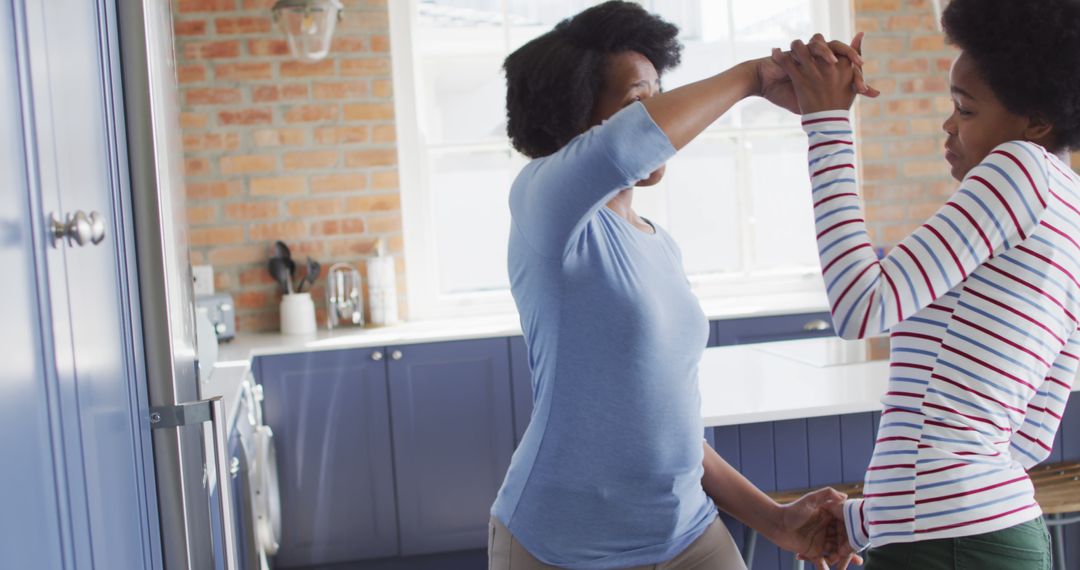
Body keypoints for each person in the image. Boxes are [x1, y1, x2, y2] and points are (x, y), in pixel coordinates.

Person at [488, 2, 874, 568]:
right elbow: (623, 148)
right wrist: (755, 76)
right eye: (638, 101)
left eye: (658, 92)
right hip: (562, 542)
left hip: (686, 534)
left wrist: (775, 520)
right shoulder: (543, 205)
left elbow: (670, 427)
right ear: (581, 119)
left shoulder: (656, 243)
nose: (660, 112)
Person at [771, 0, 1080, 567]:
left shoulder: (1019, 168)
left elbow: (861, 308)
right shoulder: (1071, 211)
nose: (948, 124)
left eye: (964, 109)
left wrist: (826, 124)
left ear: (1036, 122)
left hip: (951, 546)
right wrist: (869, 517)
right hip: (997, 537)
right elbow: (1030, 434)